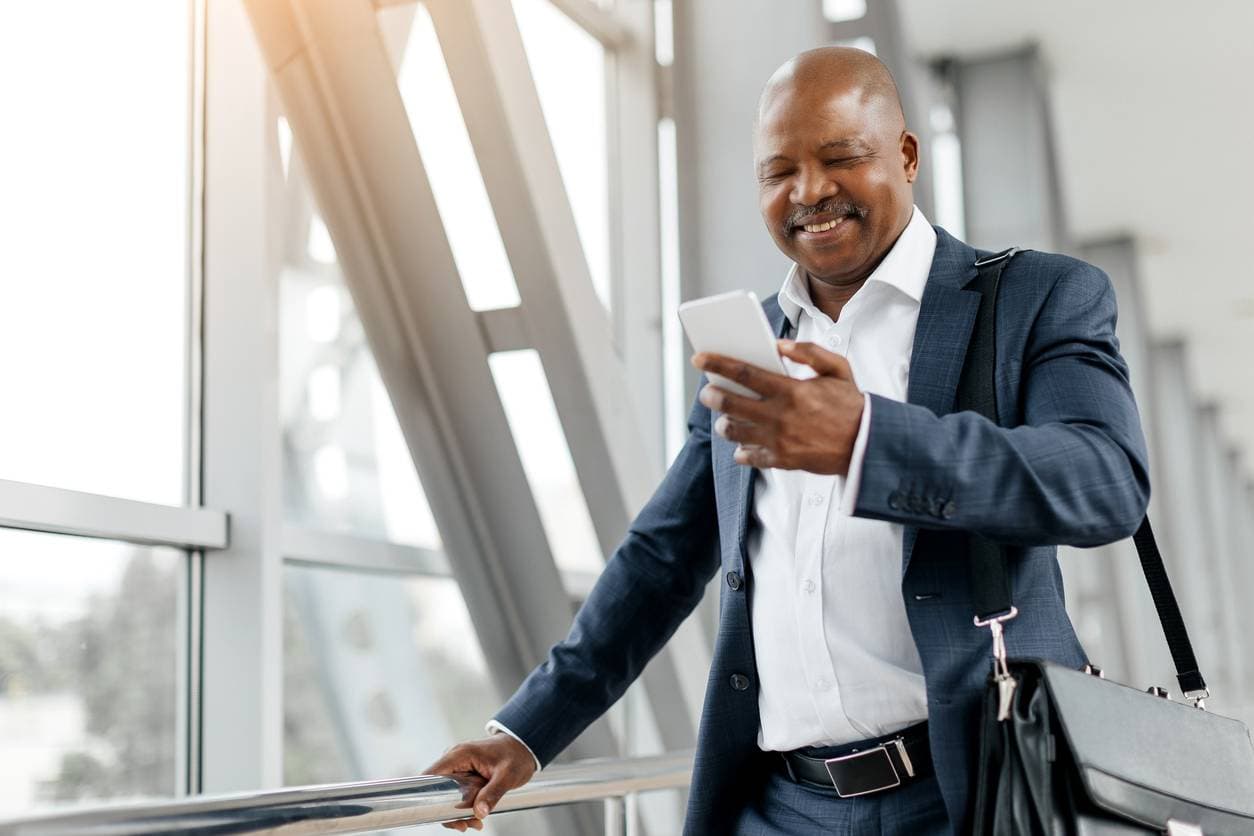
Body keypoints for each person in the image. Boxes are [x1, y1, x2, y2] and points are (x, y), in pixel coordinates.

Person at [426, 46, 1149, 835]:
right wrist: (526, 732)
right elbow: (662, 558)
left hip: (969, 794)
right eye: (779, 173)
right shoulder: (754, 349)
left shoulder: (1033, 298)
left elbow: (1104, 479)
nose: (809, 192)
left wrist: (866, 438)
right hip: (780, 807)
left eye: (840, 157)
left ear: (906, 156)